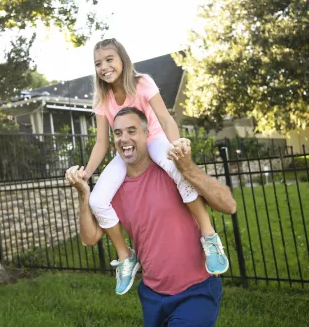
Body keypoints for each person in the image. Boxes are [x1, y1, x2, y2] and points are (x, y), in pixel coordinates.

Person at [66, 38, 228, 295]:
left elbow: (164, 117)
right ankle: (125, 256)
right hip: (128, 149)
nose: (104, 66)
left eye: (109, 60)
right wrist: (85, 174)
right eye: (98, 63)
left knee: (179, 172)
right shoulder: (102, 98)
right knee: (97, 201)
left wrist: (177, 147)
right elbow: (101, 142)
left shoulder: (142, 83)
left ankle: (208, 236)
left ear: (122, 60)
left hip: (154, 139)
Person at [66, 107, 236, 327]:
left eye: (131, 131)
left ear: (147, 135)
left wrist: (189, 169)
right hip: (152, 295)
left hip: (196, 290)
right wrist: (83, 195)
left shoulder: (173, 172)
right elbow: (89, 239)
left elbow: (229, 206)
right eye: (118, 133)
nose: (124, 139)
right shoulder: (112, 190)